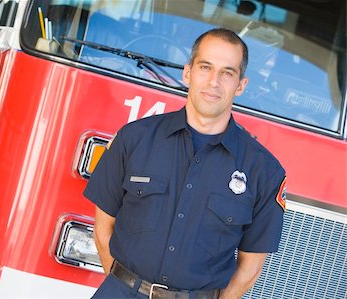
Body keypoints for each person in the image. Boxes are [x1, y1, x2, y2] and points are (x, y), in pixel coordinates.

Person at [84, 28, 287, 299]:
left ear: (241, 85)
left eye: (227, 72)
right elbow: (102, 227)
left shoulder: (264, 171)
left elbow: (250, 268)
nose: (214, 81)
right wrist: (125, 286)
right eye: (205, 67)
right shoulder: (134, 139)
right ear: (188, 73)